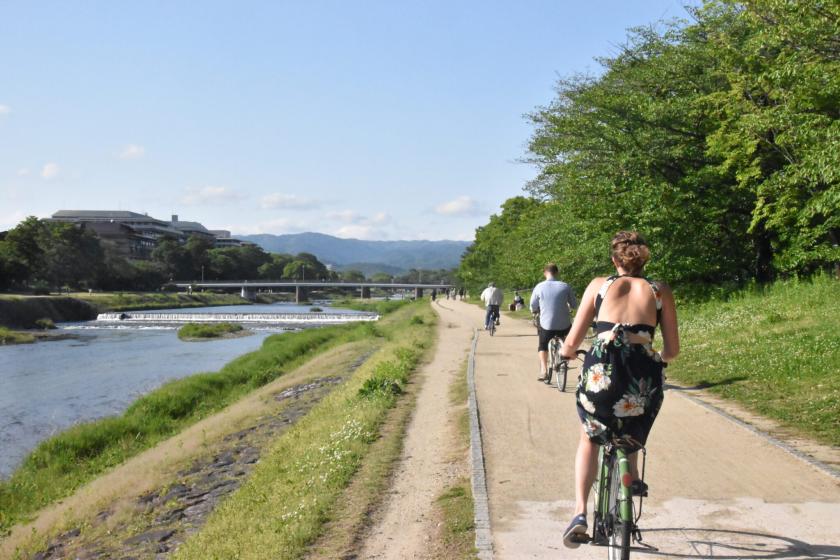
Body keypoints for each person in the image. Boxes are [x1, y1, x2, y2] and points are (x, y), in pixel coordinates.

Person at [559, 231, 679, 548]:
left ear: (615, 260)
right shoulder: (659, 290)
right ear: (644, 259)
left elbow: (572, 342)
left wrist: (568, 352)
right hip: (642, 377)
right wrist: (653, 355)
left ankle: (579, 513)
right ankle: (633, 477)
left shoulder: (599, 286)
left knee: (590, 437)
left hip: (602, 374)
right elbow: (672, 351)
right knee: (634, 419)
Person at [530, 263, 577, 381]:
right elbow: (574, 305)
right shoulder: (565, 286)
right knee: (566, 338)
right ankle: (564, 357)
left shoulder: (539, 287)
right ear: (557, 273)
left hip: (547, 325)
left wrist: (535, 311)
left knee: (543, 346)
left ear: (545, 273)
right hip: (564, 325)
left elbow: (533, 305)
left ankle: (544, 370)